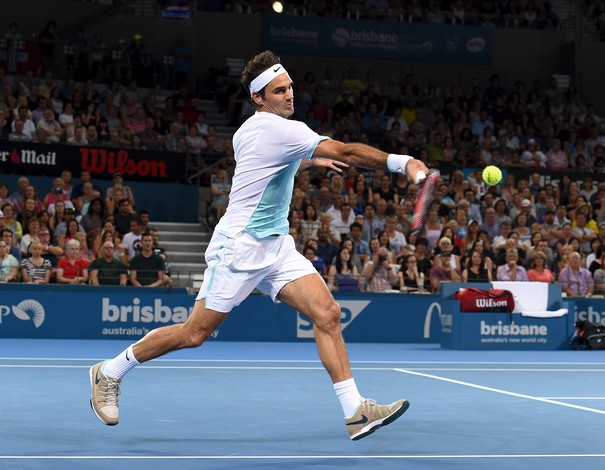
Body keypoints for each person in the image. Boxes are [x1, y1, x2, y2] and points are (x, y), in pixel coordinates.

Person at [89, 51, 425, 438]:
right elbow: (347, 151)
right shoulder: (281, 130)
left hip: (276, 246)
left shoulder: (247, 131)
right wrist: (404, 162)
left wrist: (306, 163)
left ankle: (355, 410)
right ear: (259, 99)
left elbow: (271, 164)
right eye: (279, 91)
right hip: (240, 246)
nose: (289, 95)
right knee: (194, 333)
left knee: (327, 313)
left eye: (290, 88)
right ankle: (110, 371)